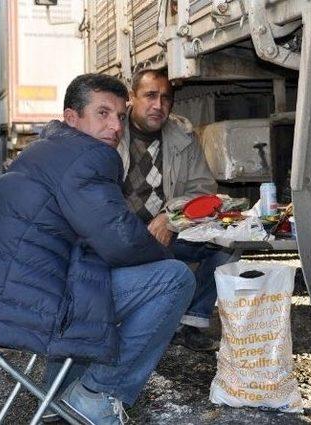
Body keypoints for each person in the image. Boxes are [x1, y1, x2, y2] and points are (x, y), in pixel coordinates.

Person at [0, 73, 196, 425]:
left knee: (86, 280)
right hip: (22, 307)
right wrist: (162, 254)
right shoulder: (88, 157)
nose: (115, 126)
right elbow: (120, 240)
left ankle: (60, 399)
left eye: (120, 116)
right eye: (102, 114)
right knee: (173, 279)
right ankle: (95, 394)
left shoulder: (46, 149)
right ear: (72, 118)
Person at [119, 68, 231, 351]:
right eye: (150, 96)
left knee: (225, 244)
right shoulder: (112, 133)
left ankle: (190, 321)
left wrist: (170, 218)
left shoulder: (183, 136)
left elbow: (203, 190)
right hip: (122, 238)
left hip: (167, 233)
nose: (158, 105)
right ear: (132, 97)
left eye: (166, 98)